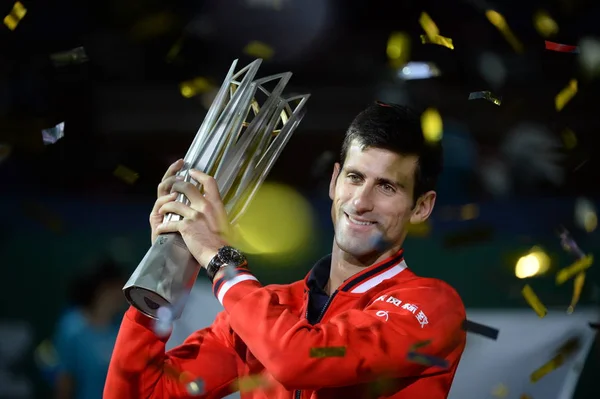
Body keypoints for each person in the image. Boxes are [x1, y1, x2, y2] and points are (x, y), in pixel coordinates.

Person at [104, 102, 466, 399]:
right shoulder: (267, 311)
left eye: (387, 187)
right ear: (334, 180)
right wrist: (164, 272)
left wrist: (221, 260)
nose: (360, 201)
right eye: (354, 178)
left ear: (421, 207)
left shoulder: (433, 306)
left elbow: (301, 359)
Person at [54, 258, 126, 399]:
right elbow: (64, 384)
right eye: (119, 286)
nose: (123, 293)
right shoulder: (72, 327)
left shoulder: (123, 328)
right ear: (104, 289)